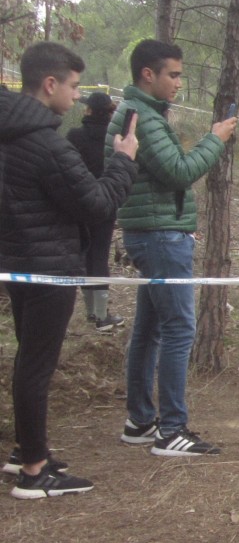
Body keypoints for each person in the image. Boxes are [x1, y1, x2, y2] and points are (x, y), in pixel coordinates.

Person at [0, 41, 138, 497]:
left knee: (28, 359)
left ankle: (26, 450)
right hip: (50, 268)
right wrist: (123, 160)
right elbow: (97, 205)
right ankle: (35, 472)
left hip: (18, 265)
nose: (78, 96)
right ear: (50, 83)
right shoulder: (46, 146)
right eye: (75, 86)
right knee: (36, 366)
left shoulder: (11, 134)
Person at [108, 38, 236, 456]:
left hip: (156, 232)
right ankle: (172, 430)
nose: (180, 83)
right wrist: (214, 139)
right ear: (149, 74)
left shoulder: (142, 114)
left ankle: (141, 420)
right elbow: (180, 172)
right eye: (174, 74)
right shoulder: (142, 117)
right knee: (179, 328)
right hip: (161, 236)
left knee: (148, 328)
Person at [67, 90, 124, 332]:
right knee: (99, 256)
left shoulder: (74, 135)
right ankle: (100, 315)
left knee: (85, 255)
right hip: (106, 202)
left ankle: (91, 310)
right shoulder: (114, 138)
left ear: (89, 110)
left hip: (79, 204)